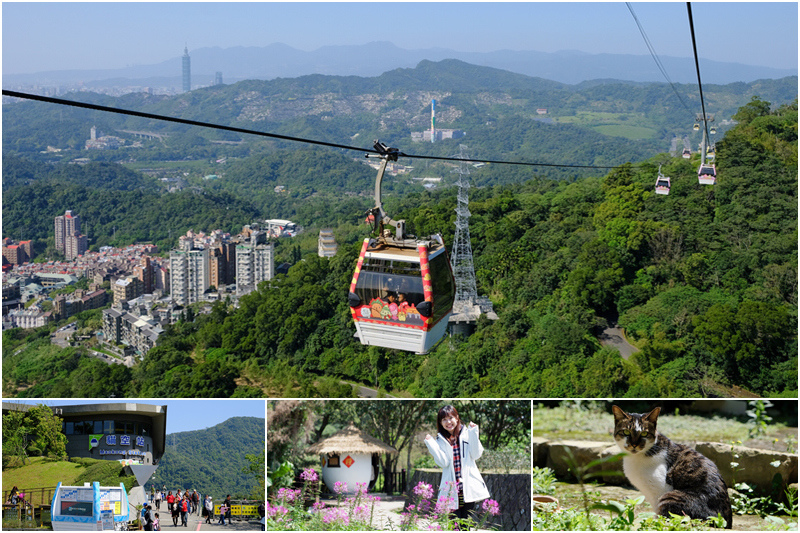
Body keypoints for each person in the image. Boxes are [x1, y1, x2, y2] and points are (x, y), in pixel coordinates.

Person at [424, 405, 490, 529]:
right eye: (444, 420)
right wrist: (431, 444)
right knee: (454, 524)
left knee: (465, 523)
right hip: (451, 489)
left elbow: (476, 454)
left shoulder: (467, 434)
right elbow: (443, 463)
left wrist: (474, 433)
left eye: (451, 418)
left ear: (457, 417)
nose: (448, 422)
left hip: (467, 487)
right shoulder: (440, 440)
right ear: (440, 422)